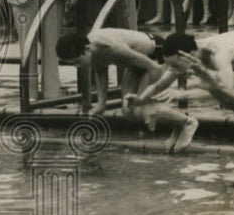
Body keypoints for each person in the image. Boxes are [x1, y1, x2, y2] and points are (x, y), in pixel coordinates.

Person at [55, 29, 198, 153]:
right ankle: (177, 127)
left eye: (76, 62)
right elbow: (100, 71)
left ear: (87, 49)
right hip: (136, 64)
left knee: (141, 110)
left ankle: (188, 122)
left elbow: (153, 68)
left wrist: (148, 99)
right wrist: (101, 105)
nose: (77, 67)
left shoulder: (111, 47)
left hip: (155, 56)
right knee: (127, 111)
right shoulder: (93, 50)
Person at [140, 29, 234, 141]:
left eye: (175, 65)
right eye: (170, 66)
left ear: (190, 56)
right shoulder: (182, 58)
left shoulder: (218, 54)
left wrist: (183, 94)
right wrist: (139, 99)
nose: (173, 71)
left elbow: (227, 92)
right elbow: (158, 86)